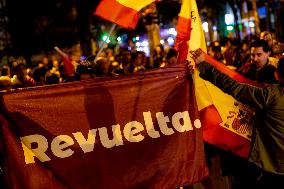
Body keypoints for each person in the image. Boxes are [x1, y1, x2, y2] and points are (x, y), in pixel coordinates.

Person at [191, 49, 284, 189]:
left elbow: (233, 86)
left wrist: (204, 66)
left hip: (274, 169)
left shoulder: (270, 96)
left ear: (276, 75)